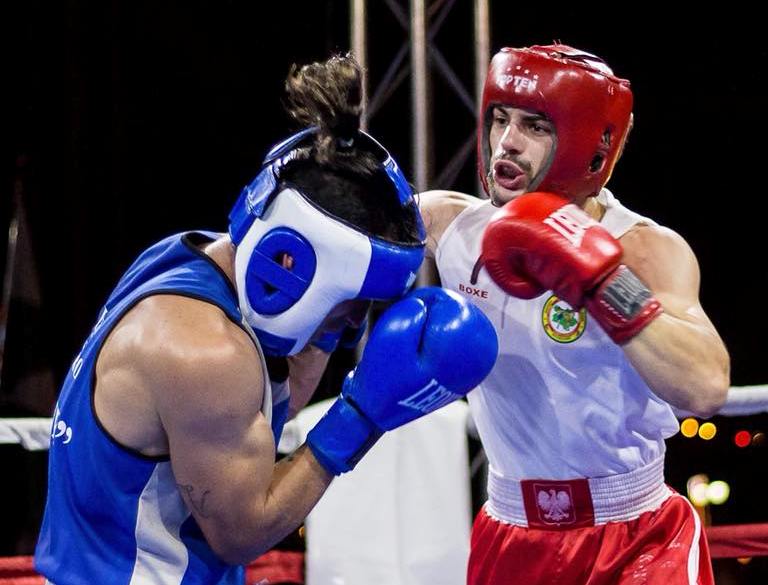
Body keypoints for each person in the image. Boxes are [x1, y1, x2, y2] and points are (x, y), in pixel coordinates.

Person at [34, 54, 498, 585]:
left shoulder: (188, 261)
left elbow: (260, 416)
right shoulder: (203, 352)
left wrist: (325, 330)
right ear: (291, 260)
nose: (356, 319)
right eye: (352, 299)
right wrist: (360, 415)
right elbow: (243, 533)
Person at [419, 44, 730, 584]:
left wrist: (603, 283)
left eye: (535, 127)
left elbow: (705, 386)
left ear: (592, 143)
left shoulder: (643, 248)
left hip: (637, 536)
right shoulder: (450, 227)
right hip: (508, 529)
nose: (506, 144)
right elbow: (326, 245)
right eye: (499, 119)